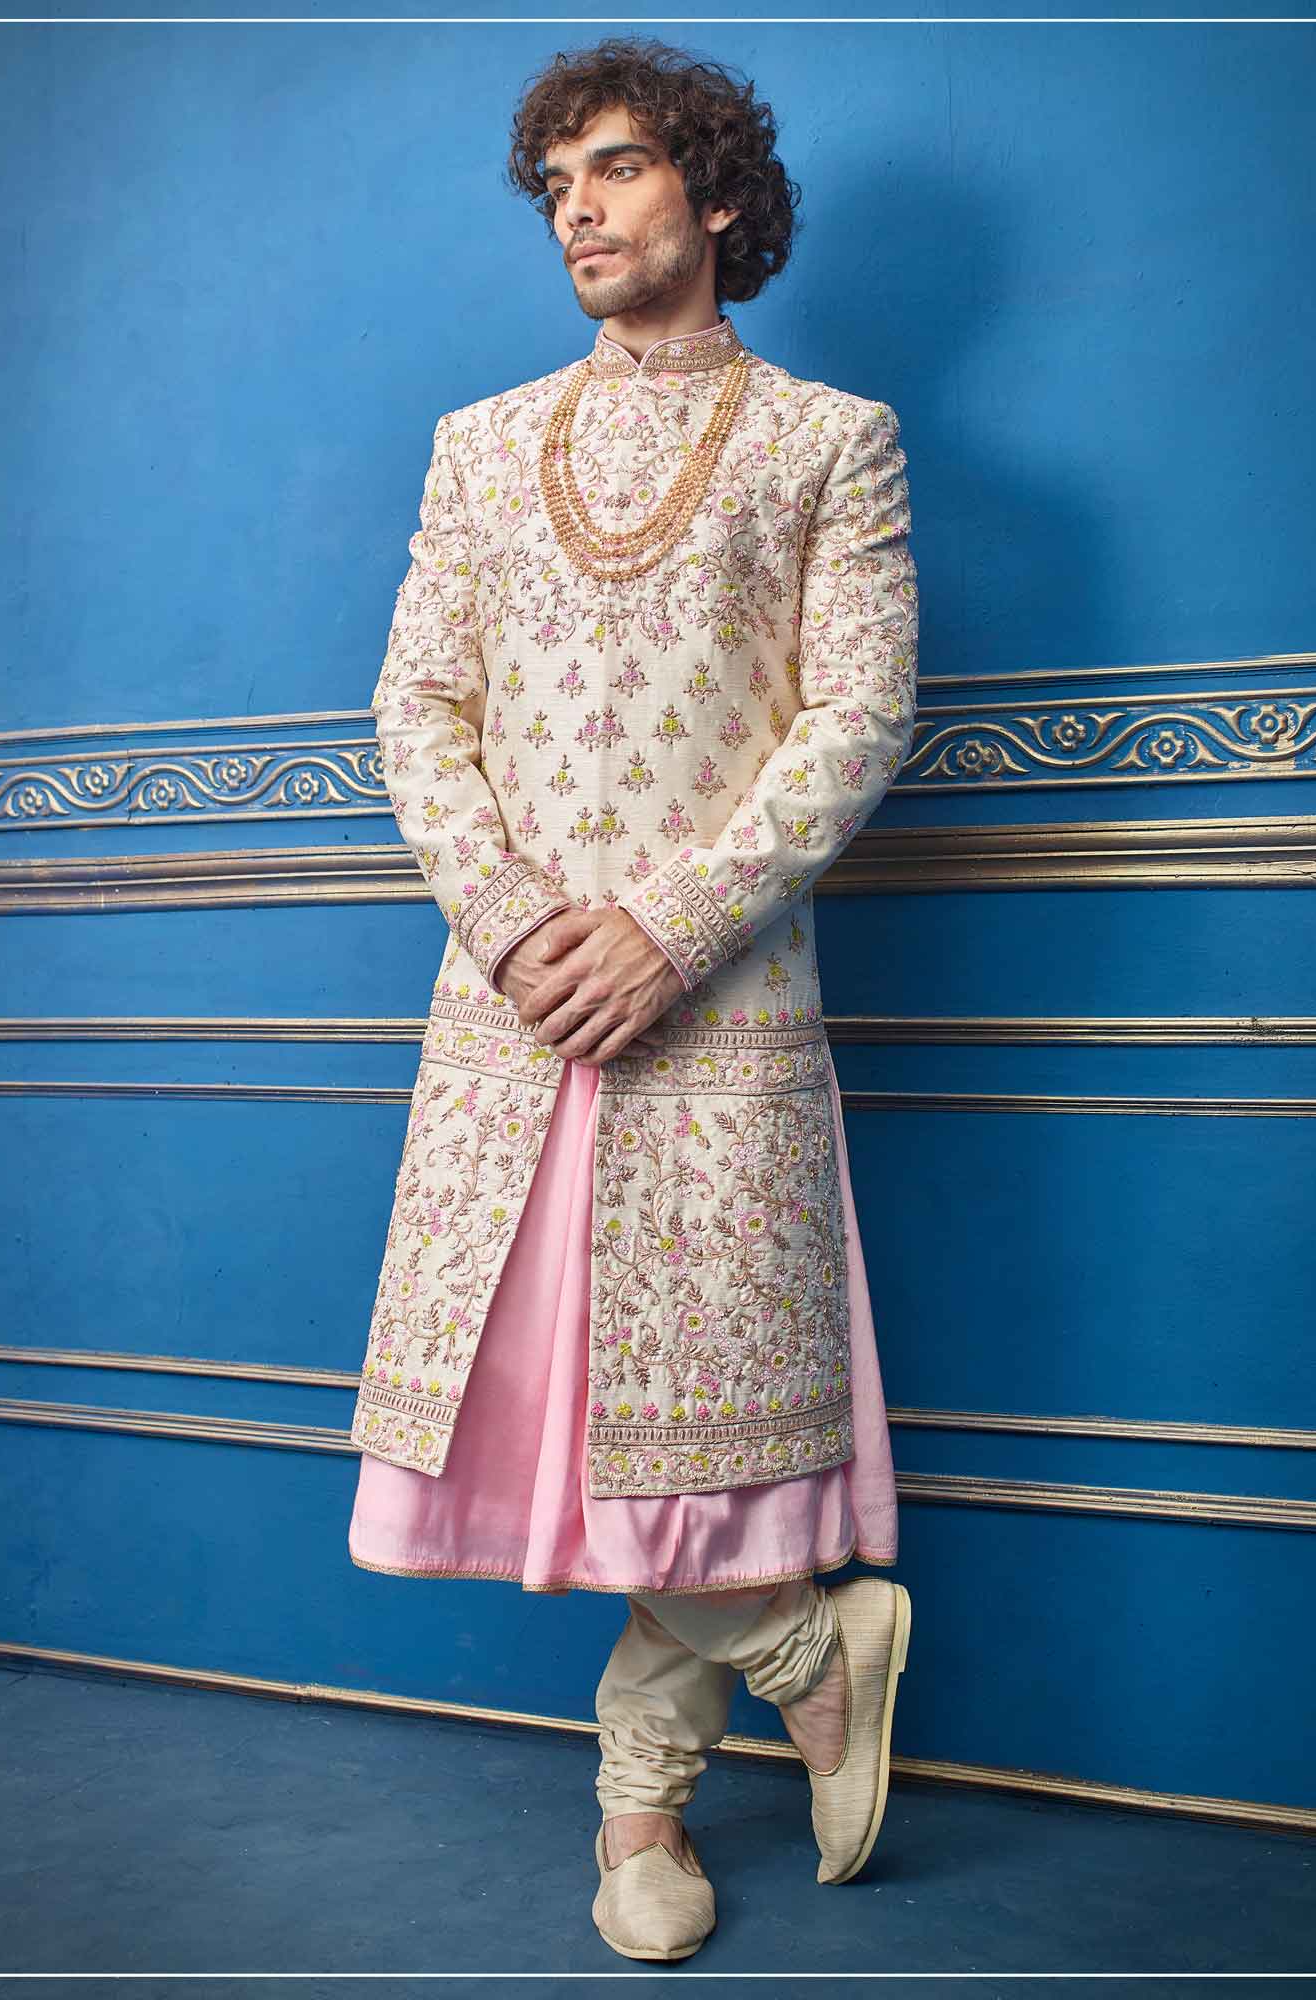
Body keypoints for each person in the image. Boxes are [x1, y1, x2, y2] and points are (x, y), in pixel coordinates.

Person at [346, 36, 918, 1962]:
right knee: (563, 1425)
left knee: (697, 1435)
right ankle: (808, 1652)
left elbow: (857, 719)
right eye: (556, 186)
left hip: (718, 1007)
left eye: (615, 169)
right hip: (514, 1013)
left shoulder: (831, 442)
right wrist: (518, 928)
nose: (577, 211)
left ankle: (637, 1817)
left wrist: (670, 928)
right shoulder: (479, 445)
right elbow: (418, 708)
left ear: (720, 196)